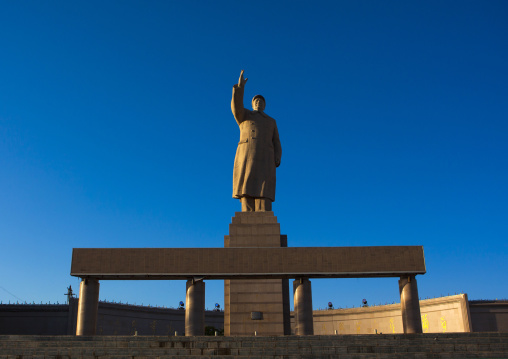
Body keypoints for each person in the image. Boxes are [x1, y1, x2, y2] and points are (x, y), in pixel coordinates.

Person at [231, 70, 282, 212]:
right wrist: (240, 88)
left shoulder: (271, 121)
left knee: (264, 186)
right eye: (256, 101)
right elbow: (236, 107)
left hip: (266, 157)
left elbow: (276, 141)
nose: (259, 103)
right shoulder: (245, 115)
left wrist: (278, 155)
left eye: (261, 101)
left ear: (264, 105)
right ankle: (246, 213)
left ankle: (264, 213)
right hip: (247, 155)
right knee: (246, 184)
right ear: (252, 104)